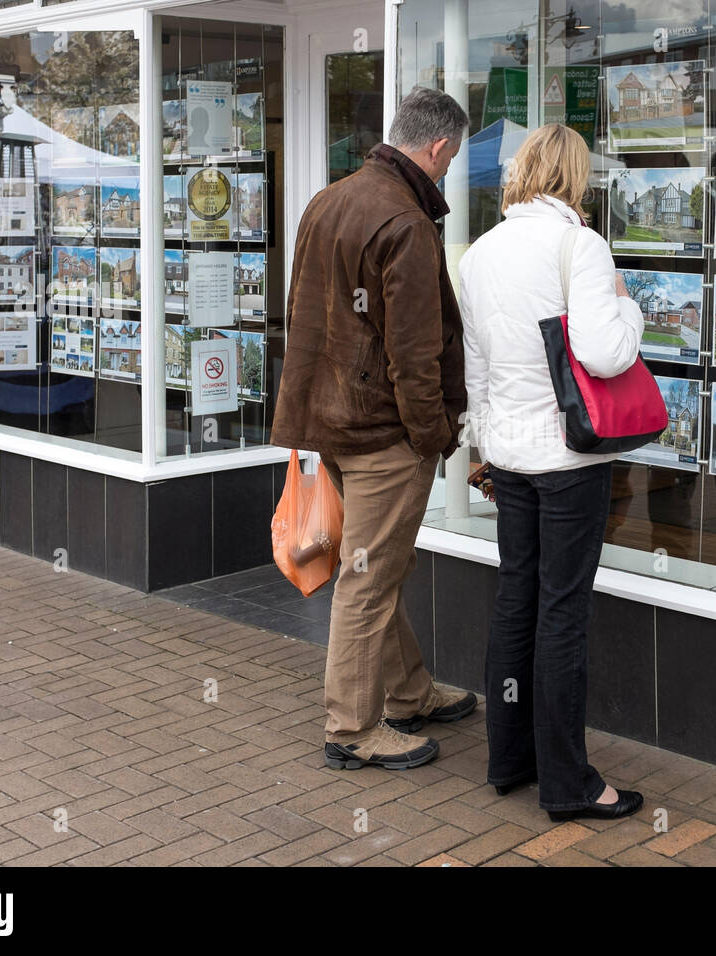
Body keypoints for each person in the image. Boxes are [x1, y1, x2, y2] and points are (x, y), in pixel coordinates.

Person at [270, 87, 477, 771]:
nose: (448, 170)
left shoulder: (329, 200)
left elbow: (307, 314)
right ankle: (353, 730)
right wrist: (433, 436)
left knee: (376, 565)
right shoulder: (407, 223)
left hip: (330, 420)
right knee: (368, 575)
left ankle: (411, 694)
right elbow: (414, 356)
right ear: (440, 146)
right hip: (383, 432)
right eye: (452, 158)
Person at [457, 124, 646, 821]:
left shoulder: (480, 254)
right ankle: (569, 784)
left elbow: (474, 368)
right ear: (576, 177)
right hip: (568, 458)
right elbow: (603, 354)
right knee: (562, 613)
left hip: (509, 455)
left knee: (516, 601)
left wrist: (484, 444)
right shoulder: (581, 246)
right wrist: (630, 306)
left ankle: (509, 760)